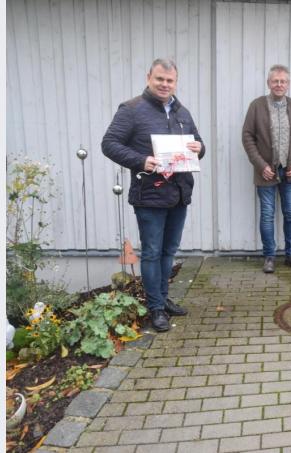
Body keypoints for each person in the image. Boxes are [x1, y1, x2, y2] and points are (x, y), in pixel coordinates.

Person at [101, 58, 204, 332]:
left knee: (168, 251)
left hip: (179, 193)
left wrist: (199, 147)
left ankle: (162, 298)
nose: (164, 84)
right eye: (160, 79)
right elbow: (109, 144)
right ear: (149, 77)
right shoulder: (132, 109)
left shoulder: (182, 112)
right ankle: (155, 308)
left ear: (176, 82)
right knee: (152, 253)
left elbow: (199, 144)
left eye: (170, 80)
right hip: (149, 194)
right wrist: (141, 160)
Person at [242, 64, 291, 273]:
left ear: (288, 84)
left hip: (289, 172)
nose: (279, 84)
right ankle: (269, 256)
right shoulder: (257, 105)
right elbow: (247, 136)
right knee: (267, 215)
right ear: (268, 83)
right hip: (266, 172)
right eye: (275, 81)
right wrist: (260, 165)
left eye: (283, 81)